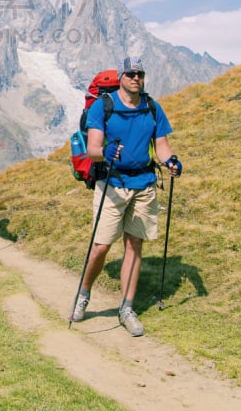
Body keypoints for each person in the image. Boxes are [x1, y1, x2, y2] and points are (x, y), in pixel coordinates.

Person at [71, 57, 182, 336]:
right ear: (121, 76)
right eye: (131, 73)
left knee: (135, 246)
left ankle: (126, 308)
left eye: (140, 74)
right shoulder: (103, 107)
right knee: (101, 247)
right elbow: (93, 148)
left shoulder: (152, 108)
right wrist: (105, 153)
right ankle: (84, 294)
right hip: (112, 183)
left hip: (144, 183)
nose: (136, 78)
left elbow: (162, 146)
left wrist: (172, 161)